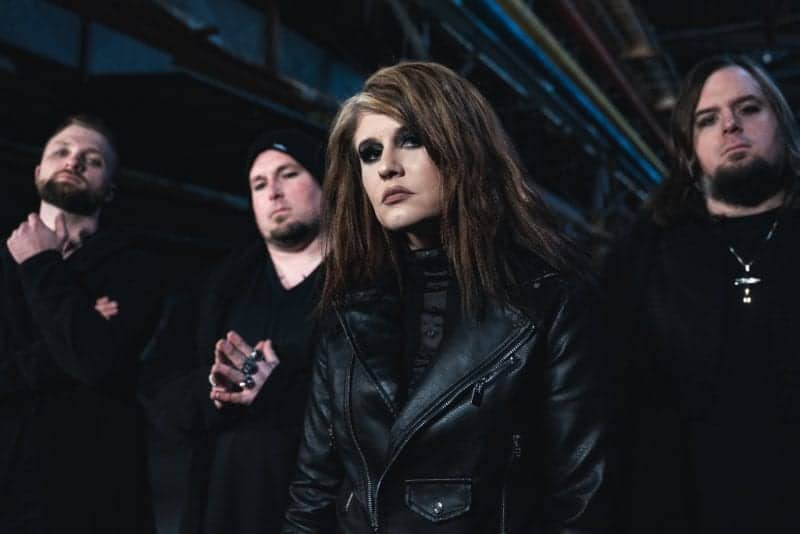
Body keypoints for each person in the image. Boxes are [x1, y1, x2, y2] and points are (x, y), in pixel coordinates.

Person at [281, 61, 610, 533]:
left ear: (461, 145)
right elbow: (313, 492)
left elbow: (582, 500)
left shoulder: (549, 300)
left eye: (411, 139)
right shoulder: (347, 310)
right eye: (369, 154)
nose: (387, 166)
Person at [606, 55, 800, 532]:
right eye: (707, 119)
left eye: (749, 108)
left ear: (782, 123)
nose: (730, 125)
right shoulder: (643, 256)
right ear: (690, 149)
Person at [140, 130, 324, 533]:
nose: (273, 192)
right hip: (221, 513)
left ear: (326, 184)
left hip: (316, 516)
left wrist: (279, 391)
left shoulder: (364, 285)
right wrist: (217, 390)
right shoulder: (219, 288)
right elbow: (161, 390)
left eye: (289, 174)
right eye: (259, 184)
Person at [0, 115, 162, 532]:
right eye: (61, 152)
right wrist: (80, 328)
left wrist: (41, 264)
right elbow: (83, 351)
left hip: (91, 488)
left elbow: (96, 363)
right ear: (38, 172)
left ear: (109, 189)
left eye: (92, 160)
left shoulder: (134, 268)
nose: (73, 162)